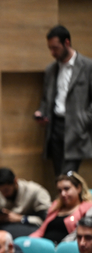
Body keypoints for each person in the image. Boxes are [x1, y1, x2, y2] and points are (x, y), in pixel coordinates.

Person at [34, 25, 92, 176]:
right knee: (59, 175)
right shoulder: (51, 70)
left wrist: (84, 119)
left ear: (67, 43)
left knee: (68, 177)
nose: (52, 53)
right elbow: (46, 98)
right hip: (55, 126)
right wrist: (41, 112)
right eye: (50, 49)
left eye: (55, 48)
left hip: (76, 128)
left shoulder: (87, 66)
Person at [31, 171, 92, 244]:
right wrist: (29, 241)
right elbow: (41, 230)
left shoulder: (87, 208)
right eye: (60, 191)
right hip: (44, 245)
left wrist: (60, 247)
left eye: (66, 189)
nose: (63, 194)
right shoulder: (55, 206)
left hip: (66, 246)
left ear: (79, 188)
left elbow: (77, 235)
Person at [0, 168, 52, 238]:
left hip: (34, 229)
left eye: (6, 190)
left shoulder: (36, 192)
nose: (4, 194)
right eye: (1, 191)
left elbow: (48, 220)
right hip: (10, 228)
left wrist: (20, 218)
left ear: (15, 181)